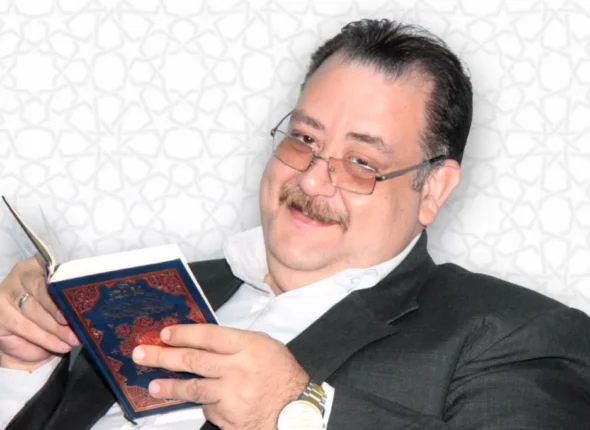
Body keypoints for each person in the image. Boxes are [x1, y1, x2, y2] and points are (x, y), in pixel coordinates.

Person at [1, 18, 590, 430]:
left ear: (431, 188)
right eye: (304, 139)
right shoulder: (148, 292)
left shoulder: (515, 334)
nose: (310, 181)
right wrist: (23, 363)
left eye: (362, 163)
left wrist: (297, 410)